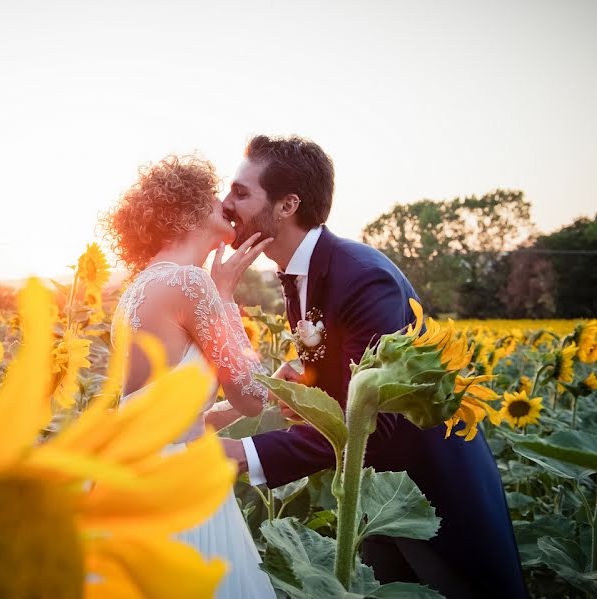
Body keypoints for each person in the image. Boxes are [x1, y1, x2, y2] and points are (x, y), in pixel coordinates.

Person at [218, 134, 527, 598]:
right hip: (374, 492)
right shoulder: (300, 275)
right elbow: (347, 383)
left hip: (429, 494)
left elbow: (375, 420)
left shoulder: (361, 276)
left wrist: (244, 455)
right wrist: (309, 387)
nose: (226, 203)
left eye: (241, 192)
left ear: (287, 206)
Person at [102, 155, 276, 598]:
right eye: (210, 195)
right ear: (182, 211)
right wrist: (226, 296)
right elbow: (254, 397)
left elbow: (175, 421)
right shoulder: (191, 284)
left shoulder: (138, 290)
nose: (224, 202)